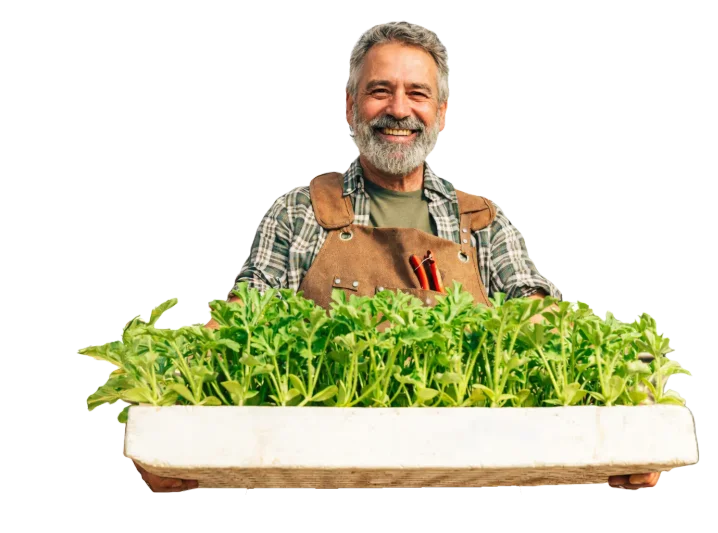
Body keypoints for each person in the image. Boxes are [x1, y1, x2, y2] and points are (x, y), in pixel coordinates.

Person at [136, 21, 660, 494]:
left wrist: (630, 413)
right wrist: (165, 420)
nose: (399, 109)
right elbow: (238, 321)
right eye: (379, 91)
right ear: (350, 106)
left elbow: (540, 318)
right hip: (321, 483)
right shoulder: (301, 212)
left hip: (466, 484)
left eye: (418, 93)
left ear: (440, 113)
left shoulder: (480, 221)